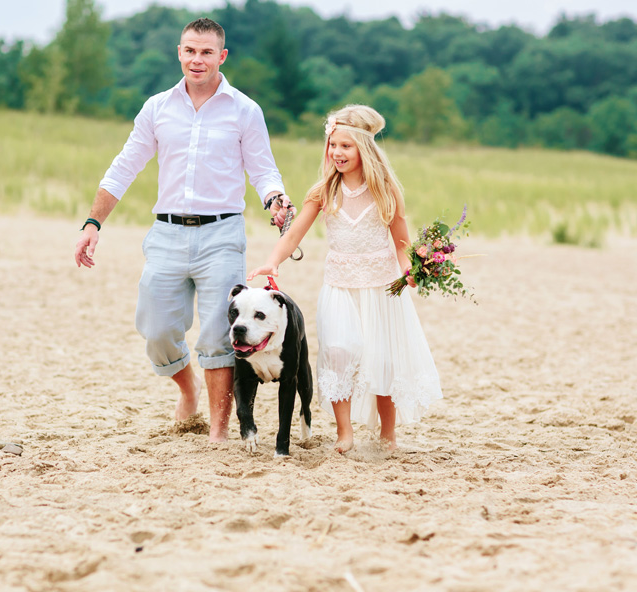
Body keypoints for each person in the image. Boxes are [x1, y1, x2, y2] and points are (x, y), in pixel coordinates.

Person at [74, 18, 294, 442]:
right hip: (167, 234)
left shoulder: (245, 110)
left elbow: (264, 170)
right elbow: (124, 167)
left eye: (206, 52)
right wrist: (92, 222)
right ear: (179, 52)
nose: (197, 59)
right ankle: (187, 387)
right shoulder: (157, 107)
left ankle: (218, 431)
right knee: (156, 330)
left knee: (219, 336)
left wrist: (276, 200)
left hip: (222, 236)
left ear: (222, 56)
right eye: (190, 51)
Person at [247, 105, 443, 453]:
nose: (337, 153)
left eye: (345, 146)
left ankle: (388, 435)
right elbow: (293, 236)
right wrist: (272, 262)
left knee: (383, 359)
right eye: (333, 145)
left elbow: (401, 243)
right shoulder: (323, 191)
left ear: (364, 149)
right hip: (339, 286)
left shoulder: (385, 191)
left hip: (382, 288)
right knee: (339, 353)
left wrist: (411, 270)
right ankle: (345, 432)